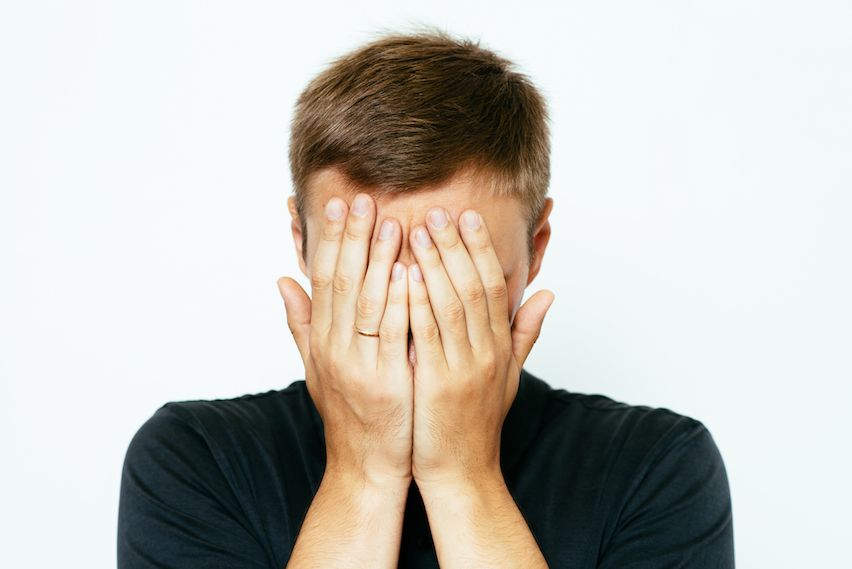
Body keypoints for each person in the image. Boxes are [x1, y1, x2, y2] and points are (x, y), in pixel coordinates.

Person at [117, 27, 734, 568]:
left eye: (454, 268)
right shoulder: (196, 459)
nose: (412, 307)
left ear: (535, 246)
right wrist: (363, 472)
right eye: (370, 261)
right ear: (303, 245)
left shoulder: (655, 466)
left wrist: (463, 474)